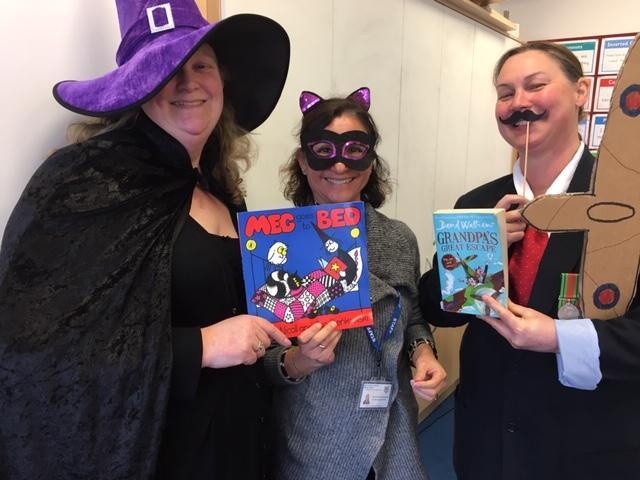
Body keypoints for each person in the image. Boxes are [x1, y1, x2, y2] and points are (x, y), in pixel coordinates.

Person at [0, 1, 291, 479]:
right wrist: (202, 346)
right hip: (163, 457)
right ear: (137, 88)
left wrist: (296, 349)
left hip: (241, 443)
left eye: (201, 65)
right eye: (167, 70)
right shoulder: (84, 185)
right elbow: (36, 352)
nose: (188, 83)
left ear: (223, 80)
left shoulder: (221, 190)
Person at [419, 41, 640, 480]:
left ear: (580, 92)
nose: (519, 102)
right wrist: (475, 253)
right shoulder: (477, 203)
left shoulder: (627, 204)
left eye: (535, 86)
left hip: (586, 443)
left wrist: (559, 337)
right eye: (505, 93)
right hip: (484, 438)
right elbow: (437, 309)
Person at [264, 87, 447, 480]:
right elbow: (259, 356)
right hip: (314, 438)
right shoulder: (275, 244)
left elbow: (413, 317)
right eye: (323, 150)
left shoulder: (398, 238)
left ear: (371, 161)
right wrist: (298, 360)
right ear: (303, 161)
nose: (340, 165)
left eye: (355, 150)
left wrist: (423, 353)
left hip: (393, 432)